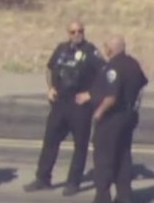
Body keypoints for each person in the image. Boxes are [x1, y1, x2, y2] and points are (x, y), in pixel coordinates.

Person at [24, 19, 105, 196]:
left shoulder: (91, 51)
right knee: (50, 141)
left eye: (80, 31)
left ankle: (73, 182)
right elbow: (49, 68)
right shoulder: (61, 49)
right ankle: (42, 178)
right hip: (60, 103)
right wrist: (50, 88)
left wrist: (90, 95)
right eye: (73, 32)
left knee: (80, 146)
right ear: (68, 33)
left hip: (79, 105)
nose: (77, 35)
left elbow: (104, 75)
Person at [90, 35, 148, 203]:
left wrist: (98, 113)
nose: (105, 49)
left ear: (111, 48)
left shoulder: (113, 68)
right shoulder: (133, 64)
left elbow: (111, 97)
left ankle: (102, 196)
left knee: (104, 158)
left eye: (106, 46)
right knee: (123, 156)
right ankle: (125, 195)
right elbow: (142, 85)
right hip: (128, 116)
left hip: (112, 119)